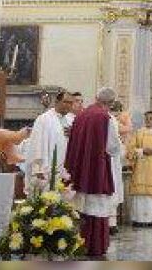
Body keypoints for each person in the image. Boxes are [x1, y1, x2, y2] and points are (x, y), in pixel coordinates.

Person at [65, 87, 121, 258]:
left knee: (82, 206)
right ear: (110, 103)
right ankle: (95, 245)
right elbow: (113, 147)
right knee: (97, 206)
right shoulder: (106, 118)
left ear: (96, 98)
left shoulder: (81, 115)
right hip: (97, 170)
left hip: (80, 170)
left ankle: (80, 244)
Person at [26, 90, 73, 187]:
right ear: (57, 102)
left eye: (70, 103)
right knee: (49, 197)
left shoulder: (72, 119)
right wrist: (38, 168)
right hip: (48, 167)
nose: (68, 105)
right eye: (65, 102)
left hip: (67, 167)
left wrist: (74, 133)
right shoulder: (44, 119)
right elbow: (37, 143)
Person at [108, 102, 126, 235]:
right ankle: (110, 224)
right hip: (110, 161)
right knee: (111, 191)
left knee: (112, 192)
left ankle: (111, 223)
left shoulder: (110, 119)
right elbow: (115, 145)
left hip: (112, 162)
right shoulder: (110, 120)